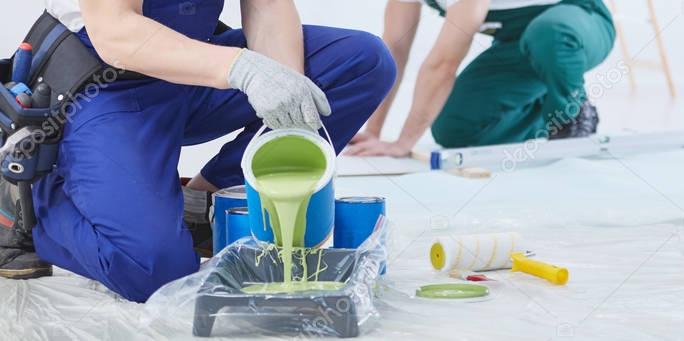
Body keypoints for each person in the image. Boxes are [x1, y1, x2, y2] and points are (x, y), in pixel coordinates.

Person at [0, 0, 396, 303]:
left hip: (187, 63)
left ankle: (207, 203)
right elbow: (116, 33)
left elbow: (267, 5)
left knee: (361, 61)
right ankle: (25, 203)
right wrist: (243, 69)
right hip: (102, 87)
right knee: (153, 270)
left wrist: (284, 93)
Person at [345, 0, 615, 156]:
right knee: (454, 128)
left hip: (578, 24)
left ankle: (572, 114)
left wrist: (403, 143)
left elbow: (443, 63)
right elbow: (394, 48)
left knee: (548, 34)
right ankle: (545, 111)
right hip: (516, 45)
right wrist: (373, 131)